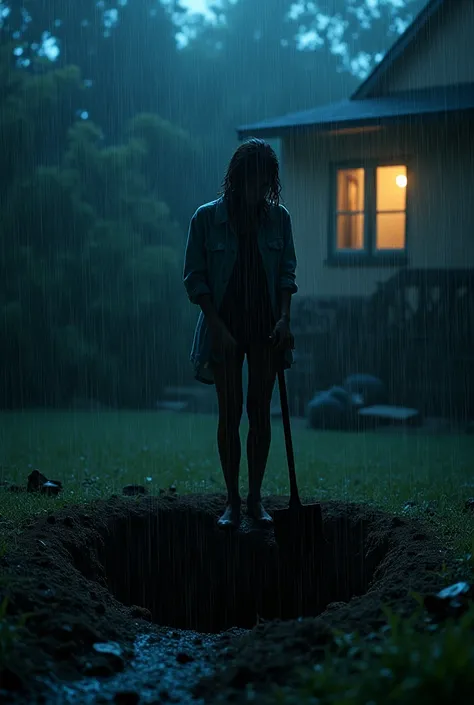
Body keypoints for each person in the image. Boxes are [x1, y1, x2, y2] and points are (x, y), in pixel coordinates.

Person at [183, 138, 298, 529]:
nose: (257, 191)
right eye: (251, 182)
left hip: (266, 330)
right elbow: (194, 279)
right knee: (229, 414)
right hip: (224, 329)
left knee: (260, 415)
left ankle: (254, 500)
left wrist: (284, 319)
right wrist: (217, 328)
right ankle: (232, 501)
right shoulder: (205, 219)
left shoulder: (279, 219)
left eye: (264, 183)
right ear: (236, 180)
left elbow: (286, 274)